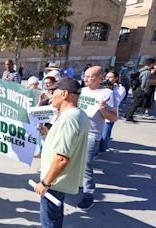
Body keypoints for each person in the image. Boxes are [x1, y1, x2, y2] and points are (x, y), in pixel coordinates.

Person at [34, 78, 89, 228]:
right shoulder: (78, 114)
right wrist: (48, 133)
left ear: (64, 94)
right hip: (60, 180)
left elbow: (62, 158)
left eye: (53, 92)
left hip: (54, 182)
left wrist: (45, 182)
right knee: (54, 217)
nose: (51, 95)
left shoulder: (69, 118)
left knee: (49, 223)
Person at [77, 66, 117, 210]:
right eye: (85, 76)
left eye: (90, 76)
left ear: (100, 77)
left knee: (86, 166)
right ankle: (77, 185)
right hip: (77, 132)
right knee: (75, 162)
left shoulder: (107, 93)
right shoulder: (82, 91)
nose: (86, 79)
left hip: (92, 134)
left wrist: (103, 109)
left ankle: (89, 196)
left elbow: (113, 118)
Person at [99, 70, 126, 153]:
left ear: (116, 78)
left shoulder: (121, 88)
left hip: (110, 113)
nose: (108, 79)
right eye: (107, 77)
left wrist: (111, 90)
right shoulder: (102, 86)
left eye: (110, 77)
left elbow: (117, 101)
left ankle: (102, 149)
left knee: (105, 134)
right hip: (99, 113)